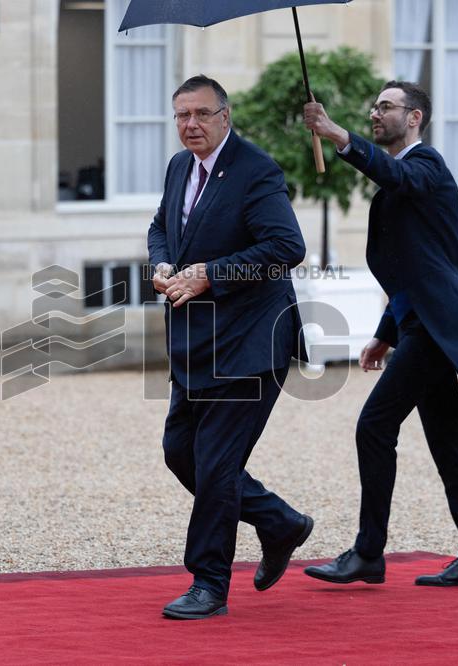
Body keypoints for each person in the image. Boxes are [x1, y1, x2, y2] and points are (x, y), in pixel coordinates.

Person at [302, 81, 458, 587]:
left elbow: (397, 176)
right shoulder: (403, 178)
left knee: (374, 426)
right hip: (421, 326)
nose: (375, 112)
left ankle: (368, 553)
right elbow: (412, 270)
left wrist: (337, 135)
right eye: (374, 105)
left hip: (434, 330)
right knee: (448, 443)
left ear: (414, 118)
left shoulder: (426, 166)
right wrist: (386, 332)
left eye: (386, 106)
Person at [148, 75, 312, 620]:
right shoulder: (179, 167)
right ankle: (279, 522)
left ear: (226, 115)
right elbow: (160, 227)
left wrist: (210, 275)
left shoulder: (256, 169)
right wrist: (163, 262)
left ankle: (209, 583)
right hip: (195, 344)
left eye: (201, 113)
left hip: (250, 343)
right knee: (180, 453)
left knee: (217, 466)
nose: (190, 124)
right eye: (182, 115)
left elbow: (286, 247)